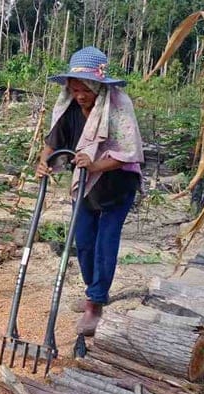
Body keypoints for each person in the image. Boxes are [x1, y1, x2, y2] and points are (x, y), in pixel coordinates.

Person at [35, 46, 144, 336]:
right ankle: (93, 291)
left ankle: (94, 304)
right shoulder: (69, 107)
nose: (80, 95)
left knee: (104, 245)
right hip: (83, 187)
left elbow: (129, 151)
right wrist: (43, 162)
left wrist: (95, 164)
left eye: (85, 90)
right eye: (74, 89)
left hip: (116, 187)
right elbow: (54, 141)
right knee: (82, 241)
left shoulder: (119, 105)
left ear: (98, 85)